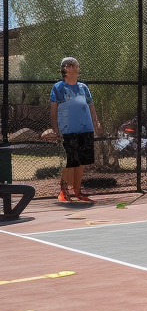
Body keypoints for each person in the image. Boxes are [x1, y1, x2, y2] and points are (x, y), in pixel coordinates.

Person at [49, 57, 103, 204]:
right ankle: (63, 191)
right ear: (66, 68)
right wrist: (56, 129)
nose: (78, 69)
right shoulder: (57, 88)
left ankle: (78, 192)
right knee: (70, 162)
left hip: (86, 129)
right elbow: (53, 112)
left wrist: (95, 122)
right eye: (75, 66)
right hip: (68, 130)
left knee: (82, 162)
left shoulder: (83, 87)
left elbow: (91, 106)